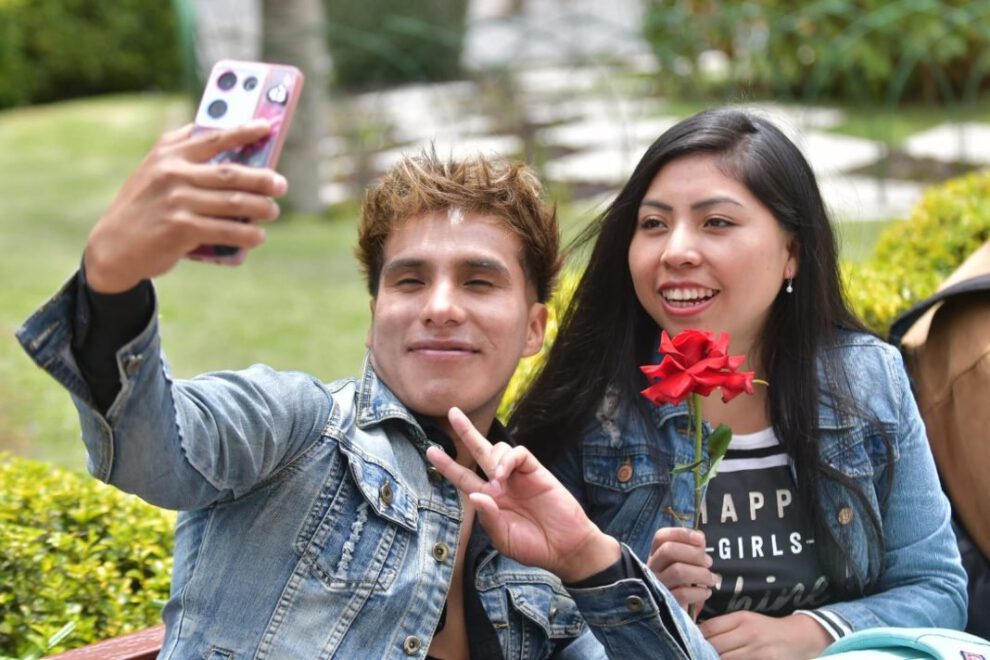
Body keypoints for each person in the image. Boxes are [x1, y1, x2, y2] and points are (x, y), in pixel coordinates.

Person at [16, 122, 688, 658]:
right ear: (374, 321)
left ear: (535, 327)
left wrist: (588, 560)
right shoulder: (298, 429)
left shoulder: (539, 529)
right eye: (408, 281)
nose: (441, 307)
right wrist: (111, 284)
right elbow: (152, 446)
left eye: (479, 282)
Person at [508, 107, 969, 658]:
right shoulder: (593, 403)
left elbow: (936, 589)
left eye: (716, 223)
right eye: (653, 224)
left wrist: (809, 633)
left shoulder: (870, 380)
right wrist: (642, 605)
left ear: (792, 253)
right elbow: (532, 619)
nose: (675, 251)